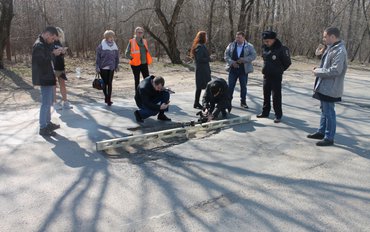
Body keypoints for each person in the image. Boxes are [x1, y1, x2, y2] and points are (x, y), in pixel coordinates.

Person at [308, 27, 347, 146]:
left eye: (325, 36)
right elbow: (326, 62)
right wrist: (319, 54)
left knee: (329, 112)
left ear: (333, 37)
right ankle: (321, 131)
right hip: (324, 86)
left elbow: (336, 70)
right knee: (324, 110)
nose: (323, 39)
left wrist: (318, 71)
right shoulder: (330, 48)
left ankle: (329, 137)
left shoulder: (339, 51)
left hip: (331, 88)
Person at [32, 26, 61, 136]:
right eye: (52, 38)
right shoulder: (38, 45)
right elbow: (41, 61)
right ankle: (43, 127)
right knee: (45, 103)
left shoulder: (45, 44)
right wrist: (53, 53)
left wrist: (56, 51)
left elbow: (49, 55)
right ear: (47, 35)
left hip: (48, 76)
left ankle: (47, 123)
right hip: (43, 77)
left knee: (49, 102)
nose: (53, 41)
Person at [257, 31, 291, 123]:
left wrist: (279, 70)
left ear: (274, 40)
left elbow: (287, 63)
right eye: (265, 41)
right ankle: (265, 112)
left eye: (268, 41)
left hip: (276, 76)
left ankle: (278, 115)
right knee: (266, 95)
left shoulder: (282, 49)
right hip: (266, 75)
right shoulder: (265, 48)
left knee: (276, 96)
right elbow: (264, 59)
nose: (266, 43)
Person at [224, 31, 256, 109]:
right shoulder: (231, 45)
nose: (237, 39)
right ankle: (228, 102)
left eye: (239, 37)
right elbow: (226, 55)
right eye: (237, 37)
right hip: (233, 69)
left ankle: (243, 102)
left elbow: (253, 56)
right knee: (230, 86)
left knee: (243, 86)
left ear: (243, 38)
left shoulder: (249, 46)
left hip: (243, 70)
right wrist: (231, 62)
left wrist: (244, 59)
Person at [96, 30, 119, 106]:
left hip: (111, 67)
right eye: (110, 37)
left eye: (112, 37)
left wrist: (116, 65)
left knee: (110, 83)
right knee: (105, 83)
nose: (112, 38)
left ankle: (109, 99)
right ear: (106, 38)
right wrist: (97, 67)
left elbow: (117, 57)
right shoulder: (101, 46)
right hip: (103, 67)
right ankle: (106, 97)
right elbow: (98, 57)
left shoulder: (115, 46)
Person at [125, 27, 153, 92]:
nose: (140, 34)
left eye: (141, 32)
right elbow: (126, 53)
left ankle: (147, 93)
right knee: (137, 80)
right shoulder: (132, 41)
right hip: (135, 64)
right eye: (139, 32)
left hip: (144, 63)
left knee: (147, 79)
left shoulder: (145, 41)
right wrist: (132, 59)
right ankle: (137, 94)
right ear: (135, 33)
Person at [190, 31, 212, 109]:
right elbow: (199, 59)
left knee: (201, 87)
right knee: (206, 86)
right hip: (202, 70)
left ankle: (197, 103)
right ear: (203, 37)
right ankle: (206, 103)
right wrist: (209, 58)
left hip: (202, 69)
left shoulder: (201, 45)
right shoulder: (200, 46)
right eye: (206, 36)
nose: (207, 38)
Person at [53, 27, 72, 110]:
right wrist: (56, 51)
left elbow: (61, 54)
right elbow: (50, 53)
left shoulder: (60, 43)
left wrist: (63, 52)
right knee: (54, 86)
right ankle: (55, 103)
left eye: (60, 35)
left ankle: (65, 102)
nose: (59, 37)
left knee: (63, 85)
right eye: (58, 35)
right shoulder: (50, 42)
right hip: (53, 67)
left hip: (61, 66)